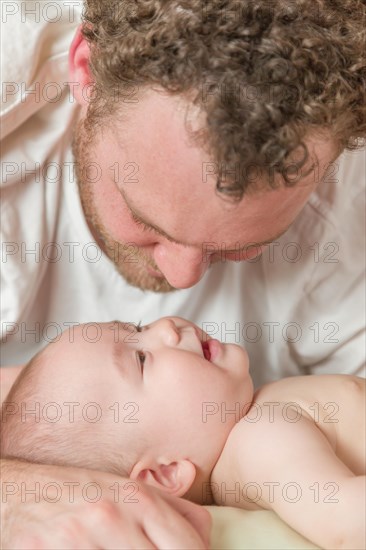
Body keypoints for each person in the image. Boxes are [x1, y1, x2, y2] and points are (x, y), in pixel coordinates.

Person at [1, 0, 365, 547]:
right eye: (144, 220)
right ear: (85, 73)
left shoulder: (347, 191)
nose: (183, 278)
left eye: (245, 246)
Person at [2, 317, 365, 550]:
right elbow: (346, 521)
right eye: (141, 359)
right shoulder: (262, 441)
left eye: (138, 327)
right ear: (166, 472)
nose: (166, 328)